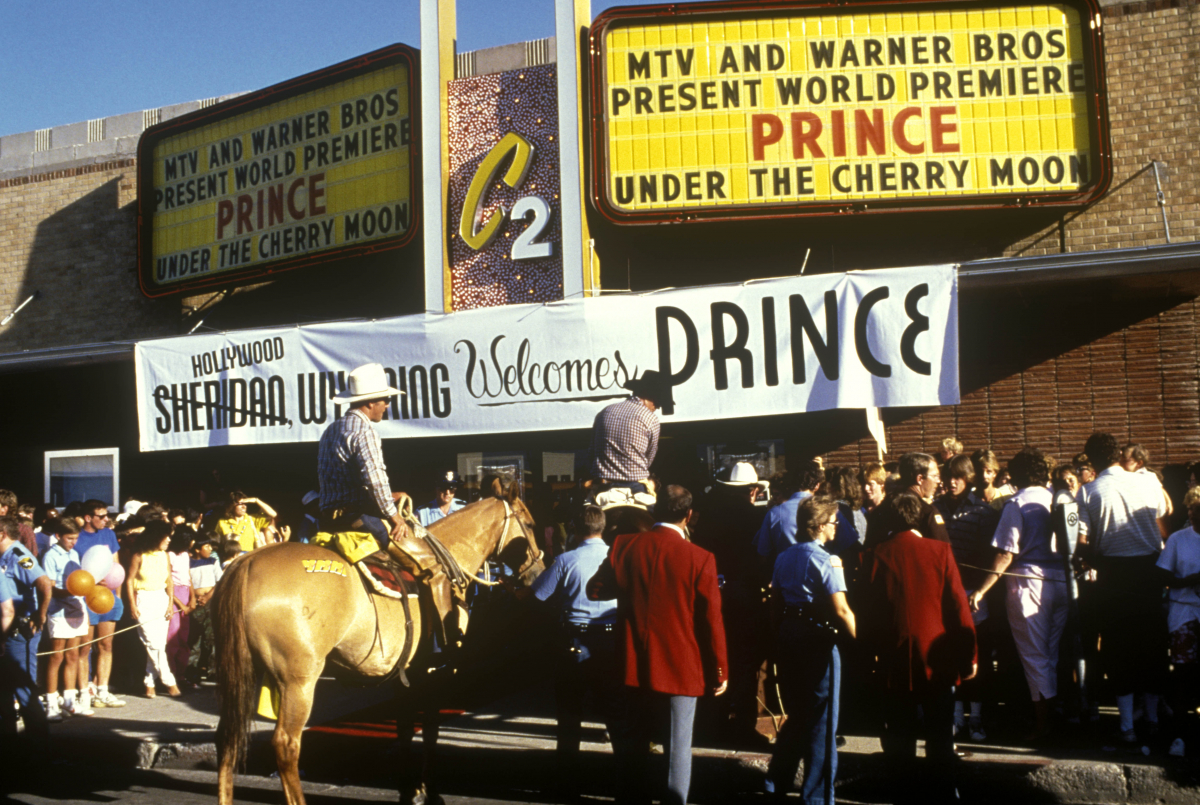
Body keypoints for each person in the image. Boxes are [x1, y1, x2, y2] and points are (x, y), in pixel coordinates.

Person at [587, 485, 727, 805]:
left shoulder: (625, 546)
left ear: (653, 512)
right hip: (682, 665)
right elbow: (711, 621)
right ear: (689, 516)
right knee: (677, 747)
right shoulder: (701, 558)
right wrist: (720, 669)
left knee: (633, 744)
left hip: (633, 661)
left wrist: (630, 586)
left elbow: (595, 590)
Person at [317, 362, 457, 647]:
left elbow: (351, 481)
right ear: (370, 402)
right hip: (358, 519)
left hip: (329, 519)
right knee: (431, 565)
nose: (388, 406)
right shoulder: (365, 430)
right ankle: (439, 642)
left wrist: (385, 495)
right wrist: (396, 517)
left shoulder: (332, 430)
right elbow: (375, 479)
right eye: (386, 400)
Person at [864, 493, 976, 805]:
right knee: (940, 733)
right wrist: (970, 655)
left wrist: (870, 654)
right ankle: (944, 793)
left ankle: (904, 793)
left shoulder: (877, 553)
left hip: (894, 655)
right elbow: (958, 606)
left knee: (900, 734)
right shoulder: (940, 550)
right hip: (937, 658)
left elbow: (870, 610)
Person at [1076, 432, 1170, 742]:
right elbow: (1162, 522)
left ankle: (1127, 726)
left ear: (1091, 459)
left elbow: (1083, 543)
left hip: (1113, 574)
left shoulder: (1089, 491)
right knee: (1153, 646)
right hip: (1150, 571)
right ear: (1117, 453)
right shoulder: (1148, 482)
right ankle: (1154, 719)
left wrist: (1088, 558)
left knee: (1119, 650)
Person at [523, 505, 621, 795]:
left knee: (569, 714)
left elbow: (538, 597)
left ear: (576, 530)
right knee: (615, 712)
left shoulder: (566, 559)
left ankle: (566, 783)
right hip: (611, 640)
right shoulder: (617, 557)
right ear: (603, 528)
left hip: (575, 642)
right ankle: (624, 777)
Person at [969, 447, 1066, 740]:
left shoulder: (1017, 503)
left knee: (1034, 656)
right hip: (1060, 579)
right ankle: (1051, 717)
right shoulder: (1055, 499)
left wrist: (982, 589)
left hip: (1029, 582)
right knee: (1050, 654)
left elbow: (1005, 553)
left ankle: (1042, 727)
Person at [766, 496, 857, 803]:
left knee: (798, 713)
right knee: (823, 718)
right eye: (834, 521)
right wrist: (861, 642)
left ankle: (776, 780)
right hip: (817, 638)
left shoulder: (784, 557)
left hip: (789, 634)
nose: (836, 527)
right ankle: (817, 795)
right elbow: (842, 610)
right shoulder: (827, 560)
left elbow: (775, 604)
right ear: (819, 527)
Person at [692, 461, 769, 745]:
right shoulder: (758, 518)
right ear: (752, 490)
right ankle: (744, 726)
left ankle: (713, 722)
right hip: (747, 598)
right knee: (747, 665)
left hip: (715, 594)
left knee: (715, 658)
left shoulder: (709, 517)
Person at [935, 454, 998, 741]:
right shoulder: (934, 510)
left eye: (958, 477)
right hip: (945, 593)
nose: (951, 482)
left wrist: (980, 590)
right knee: (950, 655)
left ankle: (978, 718)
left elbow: (988, 556)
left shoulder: (983, 514)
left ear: (968, 479)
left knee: (978, 656)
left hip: (973, 593)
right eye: (948, 476)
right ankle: (956, 717)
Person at [0, 515, 53, 744]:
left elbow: (43, 582)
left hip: (19, 629)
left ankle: (38, 746)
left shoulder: (19, 555)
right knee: (4, 686)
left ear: (2, 533)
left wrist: (40, 614)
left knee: (25, 688)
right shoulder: (5, 556)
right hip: (8, 626)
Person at [1156, 487, 1200, 757]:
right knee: (1183, 674)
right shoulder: (1178, 539)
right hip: (1184, 616)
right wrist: (1191, 581)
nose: (1195, 514)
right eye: (1193, 510)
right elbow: (1163, 577)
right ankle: (1181, 734)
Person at [588, 370, 673, 496]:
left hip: (603, 485)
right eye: (658, 402)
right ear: (648, 396)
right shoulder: (651, 418)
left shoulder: (604, 412)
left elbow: (592, 451)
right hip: (634, 485)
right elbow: (648, 458)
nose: (658, 407)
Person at [75, 499, 126, 709]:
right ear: (88, 518)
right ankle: (84, 690)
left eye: (108, 515)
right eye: (102, 516)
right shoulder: (76, 537)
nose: (107, 520)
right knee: (84, 647)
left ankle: (103, 690)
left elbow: (116, 565)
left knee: (106, 645)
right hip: (87, 598)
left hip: (109, 596)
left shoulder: (109, 534)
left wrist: (118, 596)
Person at [40, 517, 92, 719]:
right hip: (59, 611)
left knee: (73, 655)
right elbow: (50, 587)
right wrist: (70, 591)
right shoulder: (50, 556)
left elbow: (79, 581)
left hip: (76, 609)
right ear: (58, 536)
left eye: (76, 538)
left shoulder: (74, 554)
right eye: (69, 538)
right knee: (56, 656)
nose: (73, 542)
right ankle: (51, 703)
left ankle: (70, 701)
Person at [125, 520, 181, 698]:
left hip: (161, 599)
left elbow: (169, 581)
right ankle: (169, 680)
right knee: (153, 643)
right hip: (143, 599)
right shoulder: (139, 555)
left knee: (158, 644)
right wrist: (132, 604)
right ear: (156, 537)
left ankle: (149, 682)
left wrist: (170, 603)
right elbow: (129, 580)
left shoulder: (165, 555)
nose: (169, 540)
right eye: (166, 536)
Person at [863, 453, 951, 549]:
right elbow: (943, 552)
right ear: (920, 479)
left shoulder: (881, 509)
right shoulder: (927, 512)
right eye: (935, 476)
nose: (938, 481)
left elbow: (869, 550)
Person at [753, 460, 824, 571]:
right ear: (817, 486)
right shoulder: (829, 510)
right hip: (822, 575)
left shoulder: (774, 513)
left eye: (777, 494)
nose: (774, 498)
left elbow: (762, 553)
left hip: (787, 575)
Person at [187, 537, 222, 683]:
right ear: (197, 549)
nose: (210, 549)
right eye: (207, 547)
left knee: (211, 636)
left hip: (210, 601)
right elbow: (186, 581)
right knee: (194, 637)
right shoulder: (188, 563)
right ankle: (191, 669)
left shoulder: (213, 562)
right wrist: (194, 598)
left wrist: (207, 596)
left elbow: (219, 580)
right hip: (194, 603)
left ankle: (212, 669)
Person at [165, 526, 195, 685]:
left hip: (185, 593)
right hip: (174, 595)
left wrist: (193, 598)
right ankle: (171, 674)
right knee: (173, 637)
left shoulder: (185, 555)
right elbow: (167, 582)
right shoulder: (169, 555)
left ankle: (181, 674)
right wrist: (180, 604)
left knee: (184, 636)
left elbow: (187, 576)